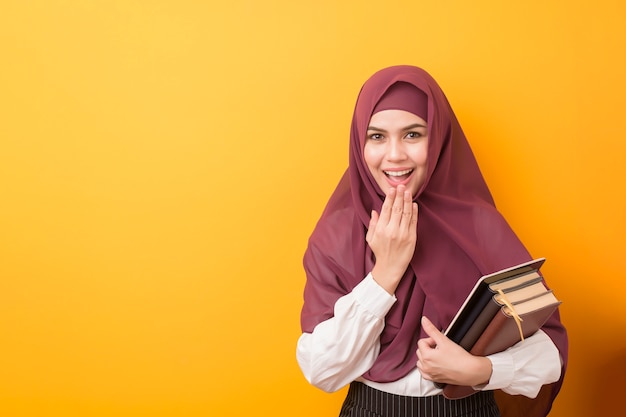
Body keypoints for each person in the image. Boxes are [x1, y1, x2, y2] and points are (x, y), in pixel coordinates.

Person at [296, 65, 568, 417]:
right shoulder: (337, 235)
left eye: (413, 135)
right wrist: (385, 274)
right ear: (359, 144)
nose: (394, 155)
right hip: (372, 409)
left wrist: (480, 371)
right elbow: (321, 370)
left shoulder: (480, 225)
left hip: (469, 408)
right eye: (377, 136)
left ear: (438, 138)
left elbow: (550, 349)